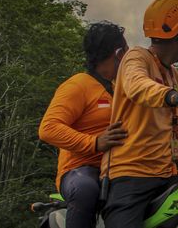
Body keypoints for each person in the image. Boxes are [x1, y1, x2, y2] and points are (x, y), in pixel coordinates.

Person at [100, 0, 178, 228]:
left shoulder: (173, 74)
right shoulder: (136, 57)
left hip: (165, 174)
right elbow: (136, 85)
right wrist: (171, 96)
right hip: (129, 176)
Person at [39, 21, 129, 228]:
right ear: (118, 53)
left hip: (119, 167)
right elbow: (48, 128)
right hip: (79, 170)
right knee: (85, 190)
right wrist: (95, 142)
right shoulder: (78, 85)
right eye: (126, 50)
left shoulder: (119, 89)